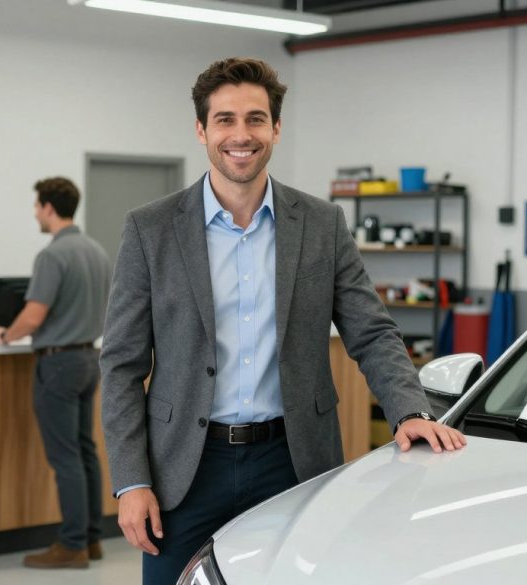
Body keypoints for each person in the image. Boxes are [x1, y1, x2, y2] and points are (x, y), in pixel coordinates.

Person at [99, 57, 468, 585]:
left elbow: (371, 330)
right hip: (183, 469)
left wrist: (409, 410)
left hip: (293, 463)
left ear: (275, 127)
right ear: (202, 130)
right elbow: (121, 366)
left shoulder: (320, 223)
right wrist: (131, 481)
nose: (240, 135)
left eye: (255, 119)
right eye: (225, 120)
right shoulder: (150, 230)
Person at [0, 177, 112, 569]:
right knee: (86, 450)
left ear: (48, 208)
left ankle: (71, 544)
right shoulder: (97, 251)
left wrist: (5, 334)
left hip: (57, 364)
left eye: (37, 206)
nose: (35, 213)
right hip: (90, 360)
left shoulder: (52, 255)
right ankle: (92, 539)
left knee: (66, 456)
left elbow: (34, 314)